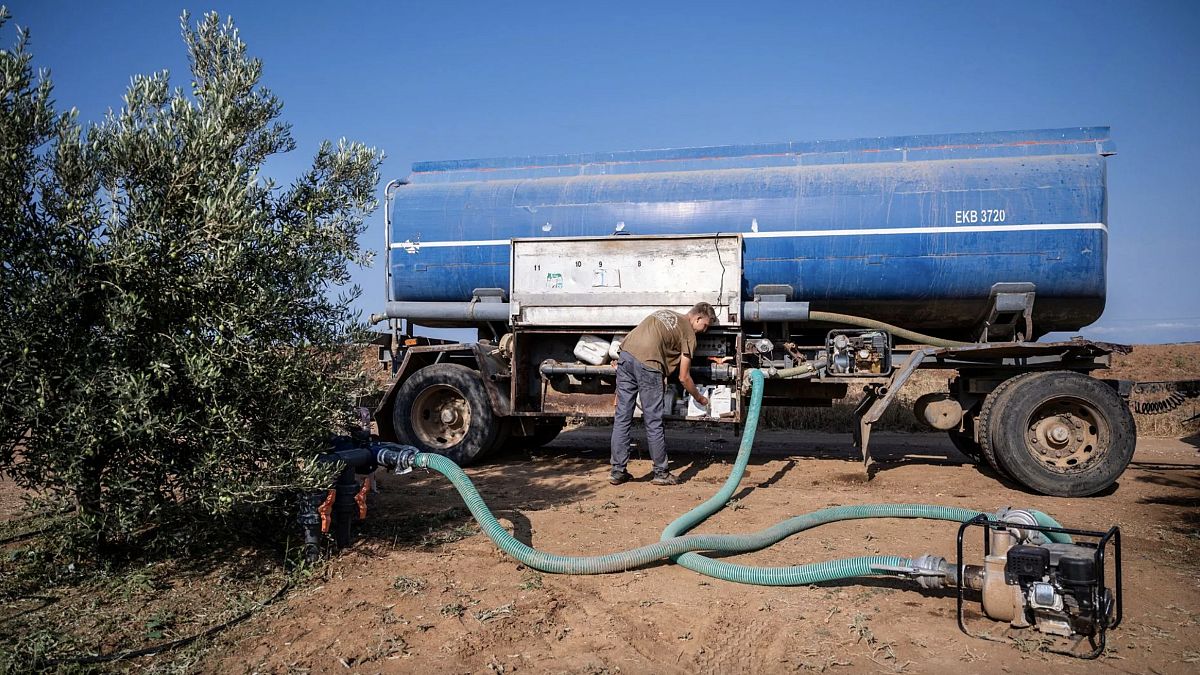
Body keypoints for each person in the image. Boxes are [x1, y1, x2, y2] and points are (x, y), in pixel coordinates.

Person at [610, 302, 718, 486]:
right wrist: (700, 398)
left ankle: (617, 472)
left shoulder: (665, 312)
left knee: (622, 417)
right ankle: (661, 472)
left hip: (626, 356)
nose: (705, 330)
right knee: (653, 421)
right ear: (698, 318)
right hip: (649, 364)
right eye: (705, 325)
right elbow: (684, 377)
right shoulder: (689, 334)